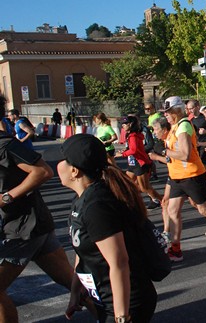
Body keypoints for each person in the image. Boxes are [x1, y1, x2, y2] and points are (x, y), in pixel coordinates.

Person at [0, 95, 95, 322]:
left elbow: (43, 171)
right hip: (33, 225)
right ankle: (114, 316)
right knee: (75, 283)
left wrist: (6, 197)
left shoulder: (5, 144)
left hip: (23, 227)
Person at [59, 134, 157, 322]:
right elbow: (84, 250)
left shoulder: (97, 206)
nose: (58, 164)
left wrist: (121, 317)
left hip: (126, 302)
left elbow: (119, 261)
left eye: (64, 160)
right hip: (104, 297)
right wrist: (75, 289)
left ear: (74, 171)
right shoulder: (82, 197)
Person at [148, 96, 206, 261]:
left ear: (177, 110)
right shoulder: (174, 126)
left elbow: (185, 154)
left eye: (168, 111)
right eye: (165, 112)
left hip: (191, 175)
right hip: (176, 177)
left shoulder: (184, 126)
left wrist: (163, 152)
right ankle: (176, 249)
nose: (166, 115)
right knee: (172, 210)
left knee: (204, 209)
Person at [116, 116, 162, 210]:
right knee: (127, 184)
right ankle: (130, 203)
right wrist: (125, 150)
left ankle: (162, 200)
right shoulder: (130, 135)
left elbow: (133, 150)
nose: (123, 125)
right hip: (132, 163)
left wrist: (123, 154)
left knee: (145, 187)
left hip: (140, 164)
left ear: (131, 124)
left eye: (125, 123)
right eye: (122, 124)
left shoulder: (133, 135)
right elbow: (131, 148)